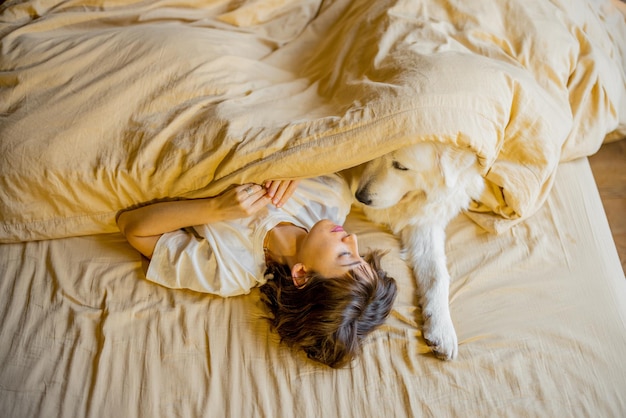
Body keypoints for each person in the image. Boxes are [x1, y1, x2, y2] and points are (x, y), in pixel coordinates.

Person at [117, 175, 397, 368]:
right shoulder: (332, 197)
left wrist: (215, 209)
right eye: (360, 256)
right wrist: (299, 165)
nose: (353, 239)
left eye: (346, 255)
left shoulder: (229, 272)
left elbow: (134, 229)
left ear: (301, 275)